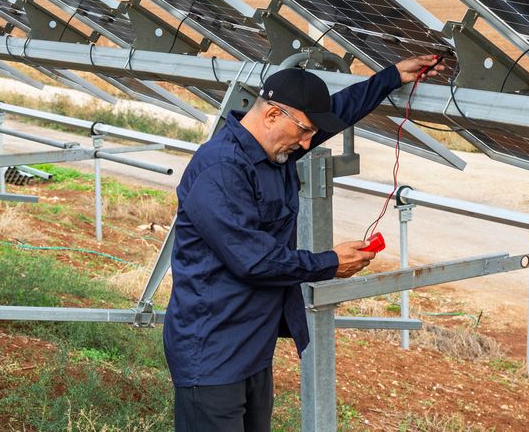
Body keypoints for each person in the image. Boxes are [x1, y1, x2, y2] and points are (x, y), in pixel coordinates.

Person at [168, 54, 443, 431]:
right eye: (304, 131)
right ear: (271, 116)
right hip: (212, 352)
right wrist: (330, 263)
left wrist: (392, 76)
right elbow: (253, 260)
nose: (309, 142)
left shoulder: (277, 148)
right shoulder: (221, 169)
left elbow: (339, 111)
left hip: (250, 349)